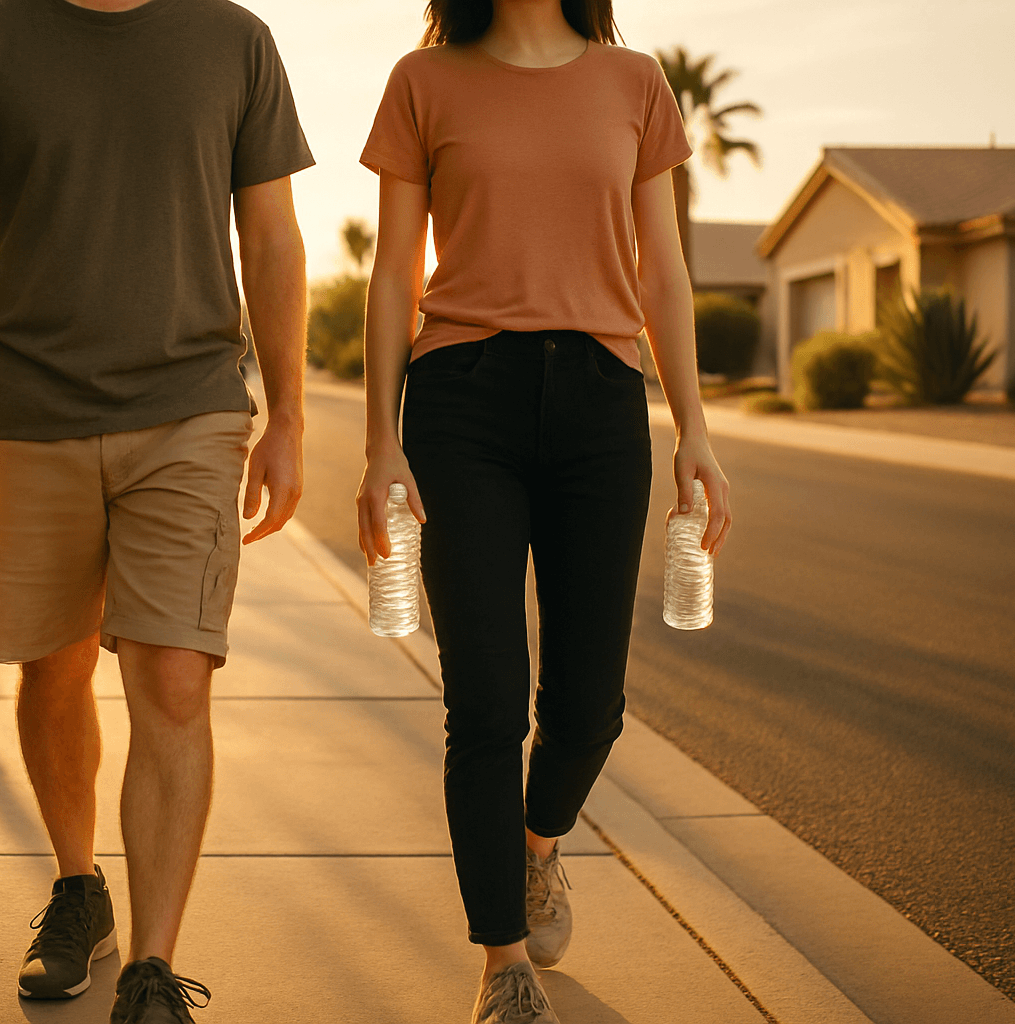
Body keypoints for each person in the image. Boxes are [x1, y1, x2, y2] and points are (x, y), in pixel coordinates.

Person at [0, 0, 314, 1019]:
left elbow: (270, 238)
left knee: (175, 675)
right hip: (28, 408)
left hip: (190, 407)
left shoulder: (235, 42)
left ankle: (152, 970)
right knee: (55, 669)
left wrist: (291, 414)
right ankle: (79, 889)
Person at [356, 1, 733, 1021]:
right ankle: (503, 963)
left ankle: (537, 846)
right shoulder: (422, 81)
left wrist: (693, 427)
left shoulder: (634, 83)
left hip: (602, 404)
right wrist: (378, 441)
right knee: (483, 701)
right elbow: (394, 271)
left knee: (586, 709)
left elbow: (665, 269)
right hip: (460, 401)